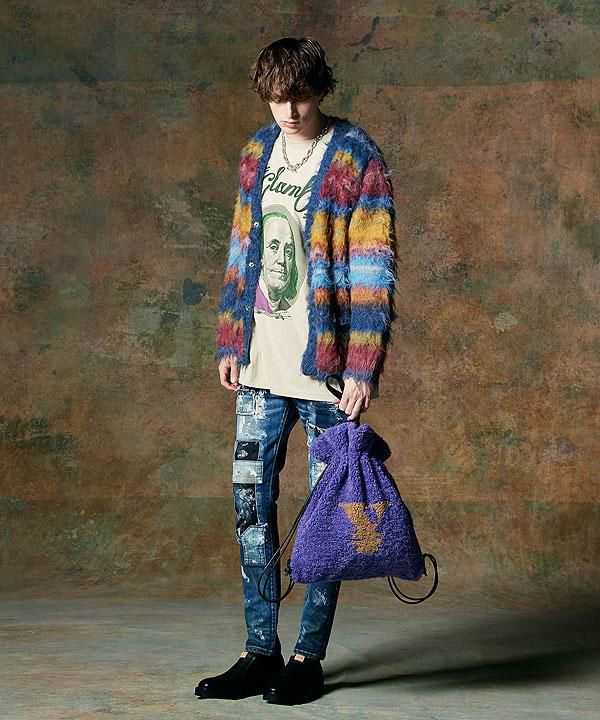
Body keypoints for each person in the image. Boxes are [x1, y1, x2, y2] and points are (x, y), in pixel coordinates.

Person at [196, 36, 398, 705]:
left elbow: (372, 269)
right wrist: (232, 338)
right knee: (250, 509)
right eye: (278, 98)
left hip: (326, 372)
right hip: (260, 364)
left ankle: (307, 657)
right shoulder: (258, 151)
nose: (289, 110)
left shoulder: (355, 157)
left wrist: (363, 366)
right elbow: (242, 249)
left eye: (301, 97)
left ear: (321, 91)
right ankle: (260, 651)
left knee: (326, 521)